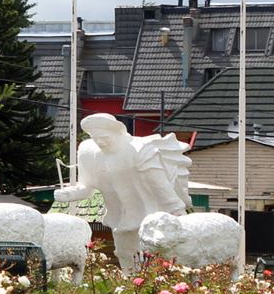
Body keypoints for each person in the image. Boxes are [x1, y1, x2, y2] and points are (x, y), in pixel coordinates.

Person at [54, 113, 193, 273]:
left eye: (105, 137)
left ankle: (161, 286)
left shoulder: (140, 150)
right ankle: (133, 287)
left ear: (118, 133)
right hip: (121, 217)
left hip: (151, 214)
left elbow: (159, 184)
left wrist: (176, 210)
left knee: (157, 254)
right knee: (125, 253)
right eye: (95, 138)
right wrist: (70, 194)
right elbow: (87, 186)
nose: (100, 142)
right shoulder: (89, 153)